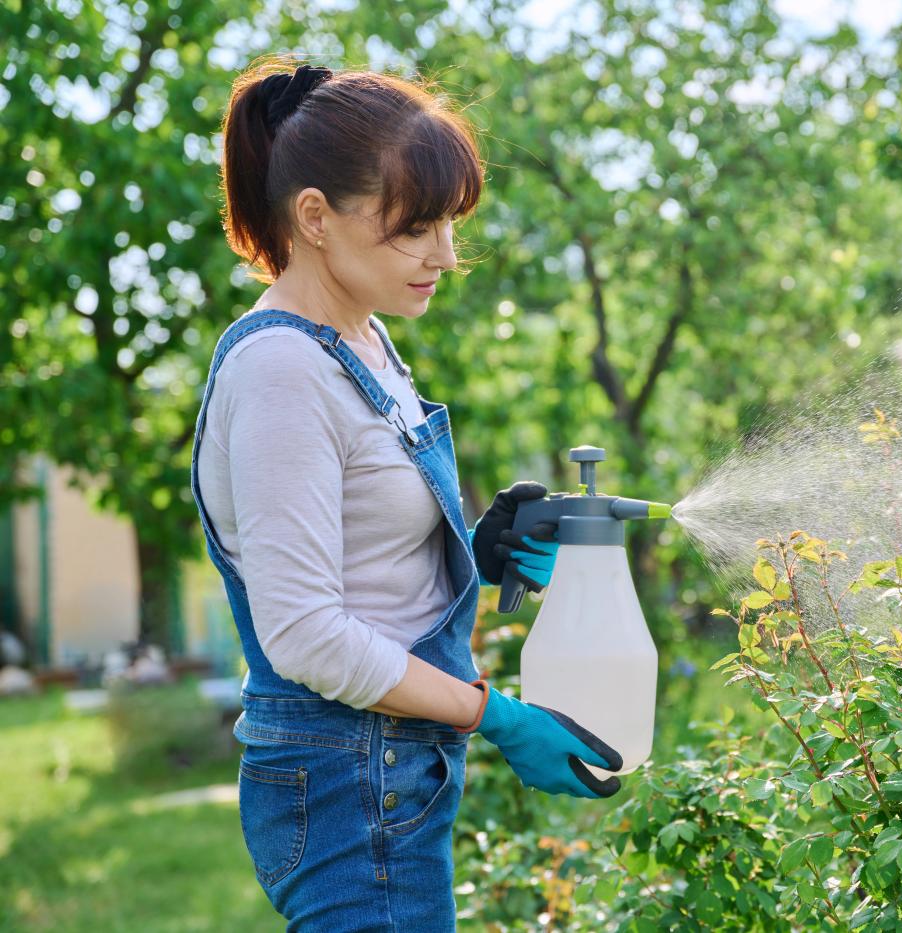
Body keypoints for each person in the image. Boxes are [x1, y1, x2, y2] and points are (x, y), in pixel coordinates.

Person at [189, 58, 624, 931]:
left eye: (451, 224)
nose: (447, 256)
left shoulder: (364, 335)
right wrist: (495, 715)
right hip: (348, 777)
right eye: (415, 229)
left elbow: (357, 548)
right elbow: (307, 632)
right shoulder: (282, 368)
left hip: (386, 767)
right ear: (315, 217)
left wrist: (475, 542)